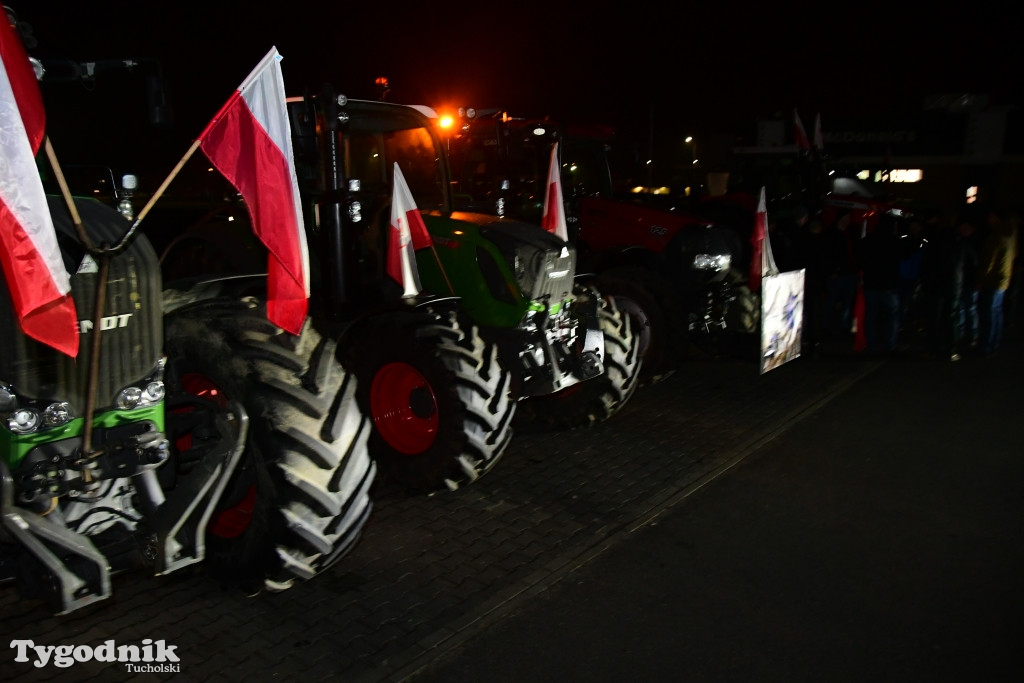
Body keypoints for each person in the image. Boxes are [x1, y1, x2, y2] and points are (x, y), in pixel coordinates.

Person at [856, 214, 905, 356]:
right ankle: (890, 345)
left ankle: (871, 346)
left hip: (871, 284)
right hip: (889, 285)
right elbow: (904, 255)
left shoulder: (868, 241)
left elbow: (860, 260)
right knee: (891, 316)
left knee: (871, 315)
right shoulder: (895, 241)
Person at [976, 208, 1019, 355]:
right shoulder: (1011, 234)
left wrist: (980, 280)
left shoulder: (996, 236)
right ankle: (994, 342)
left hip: (993, 279)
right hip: (1004, 278)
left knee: (988, 313)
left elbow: (989, 261)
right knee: (996, 311)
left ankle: (985, 346)